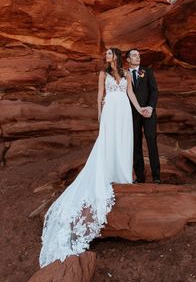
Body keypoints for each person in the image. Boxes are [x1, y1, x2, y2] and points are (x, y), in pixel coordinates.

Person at [39, 48, 148, 268]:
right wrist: (99, 117)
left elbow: (131, 94)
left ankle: (123, 175)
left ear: (116, 56)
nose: (106, 57)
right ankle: (108, 172)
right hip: (110, 112)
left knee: (124, 142)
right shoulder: (102, 74)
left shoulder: (126, 74)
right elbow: (100, 95)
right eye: (106, 55)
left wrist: (140, 109)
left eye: (109, 54)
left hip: (124, 111)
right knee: (107, 143)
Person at [126, 48, 161, 184]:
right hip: (132, 114)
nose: (138, 57)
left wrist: (151, 107)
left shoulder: (147, 72)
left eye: (139, 55)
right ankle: (140, 177)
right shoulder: (124, 74)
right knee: (136, 145)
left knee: (152, 142)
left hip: (148, 113)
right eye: (134, 55)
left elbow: (154, 91)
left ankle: (156, 176)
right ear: (128, 59)